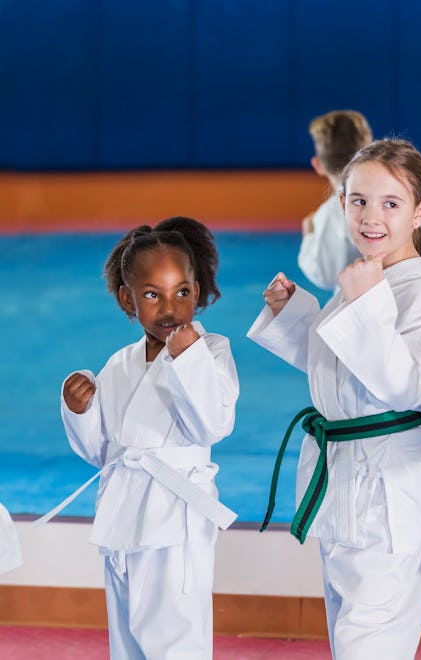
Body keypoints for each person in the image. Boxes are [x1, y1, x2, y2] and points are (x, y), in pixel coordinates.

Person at [248, 139, 421, 659]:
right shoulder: (368, 276)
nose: (371, 216)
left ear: (419, 212)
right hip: (344, 486)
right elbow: (340, 374)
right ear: (341, 204)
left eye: (390, 203)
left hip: (385, 498)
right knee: (348, 638)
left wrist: (366, 304)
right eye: (358, 200)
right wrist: (298, 315)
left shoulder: (419, 290)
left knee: (370, 644)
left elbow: (405, 386)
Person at [53, 217, 239, 658]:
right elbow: (103, 453)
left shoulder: (211, 352)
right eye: (152, 295)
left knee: (175, 641)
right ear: (127, 298)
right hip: (122, 515)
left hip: (175, 522)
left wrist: (188, 357)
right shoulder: (119, 364)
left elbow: (213, 424)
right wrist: (80, 411)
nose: (170, 309)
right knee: (128, 640)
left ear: (198, 290)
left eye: (182, 292)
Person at [298, 110, 373, 290]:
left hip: (357, 307)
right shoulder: (398, 197)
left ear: (317, 164)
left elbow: (324, 275)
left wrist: (309, 235)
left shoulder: (333, 211)